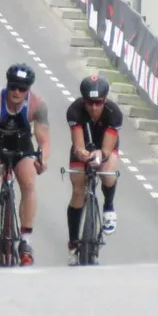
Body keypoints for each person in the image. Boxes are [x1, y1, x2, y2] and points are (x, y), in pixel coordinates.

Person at [0, 63, 50, 266]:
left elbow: (44, 140)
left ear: (28, 89)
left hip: (21, 143)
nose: (16, 92)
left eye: (21, 89)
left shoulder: (37, 105)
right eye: (12, 86)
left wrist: (43, 159)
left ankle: (25, 240)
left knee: (29, 182)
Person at [66, 74, 123, 263]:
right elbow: (78, 144)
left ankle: (109, 206)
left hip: (105, 144)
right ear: (84, 100)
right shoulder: (74, 111)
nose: (94, 107)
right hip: (84, 145)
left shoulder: (114, 113)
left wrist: (100, 155)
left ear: (105, 100)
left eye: (98, 103)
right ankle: (73, 243)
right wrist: (82, 154)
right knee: (77, 190)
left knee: (108, 173)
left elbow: (107, 149)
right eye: (90, 103)